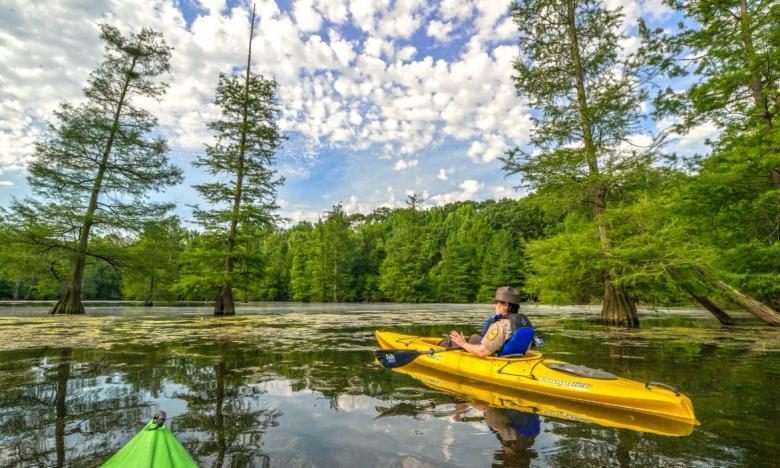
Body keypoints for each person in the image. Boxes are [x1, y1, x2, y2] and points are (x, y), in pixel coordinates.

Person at [439, 286, 536, 357]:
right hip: (516, 355)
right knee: (474, 337)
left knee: (451, 340)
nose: (494, 306)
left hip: (495, 358)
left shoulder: (500, 325)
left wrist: (462, 343)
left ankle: (438, 353)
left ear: (506, 305)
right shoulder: (523, 322)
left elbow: (482, 352)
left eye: (496, 303)